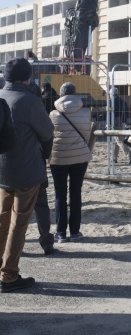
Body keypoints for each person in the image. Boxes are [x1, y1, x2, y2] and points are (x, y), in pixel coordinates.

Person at [0, 57, 54, 292]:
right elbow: (47, 131)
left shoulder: (2, 98)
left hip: (2, 170)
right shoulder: (30, 101)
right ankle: (9, 275)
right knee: (18, 224)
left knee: (1, 221)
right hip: (26, 170)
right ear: (26, 78)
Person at [49, 82, 92, 242]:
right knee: (76, 193)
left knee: (59, 195)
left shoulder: (53, 114)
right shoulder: (86, 112)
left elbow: (50, 135)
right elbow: (87, 134)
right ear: (75, 94)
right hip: (79, 156)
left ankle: (60, 233)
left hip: (58, 157)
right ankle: (75, 232)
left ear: (60, 95)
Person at [27, 81, 55, 255]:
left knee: (13, 207)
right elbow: (47, 135)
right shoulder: (36, 108)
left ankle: (12, 245)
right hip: (36, 164)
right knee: (42, 205)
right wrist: (45, 155)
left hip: (10, 167)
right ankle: (46, 241)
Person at [110, 87, 131, 165]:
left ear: (111, 94)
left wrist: (108, 124)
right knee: (116, 141)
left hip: (114, 122)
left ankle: (130, 156)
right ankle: (114, 158)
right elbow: (127, 113)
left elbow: (109, 114)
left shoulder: (110, 102)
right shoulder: (123, 101)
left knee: (119, 140)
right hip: (122, 122)